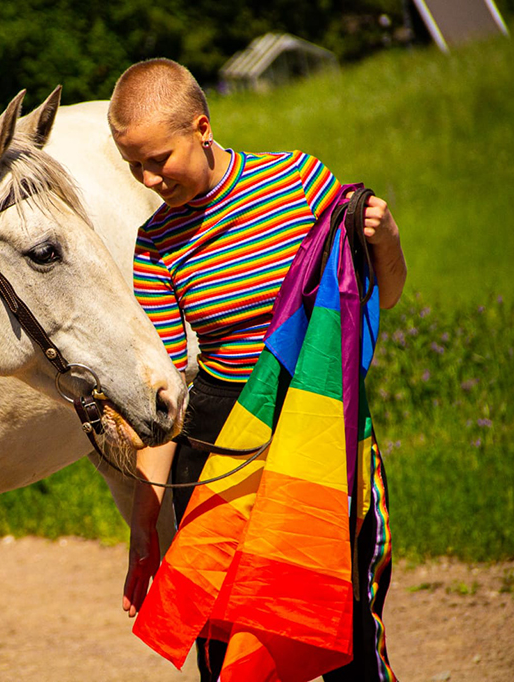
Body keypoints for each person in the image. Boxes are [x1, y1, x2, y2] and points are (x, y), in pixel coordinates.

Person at [108, 58, 407, 681]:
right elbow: (167, 392)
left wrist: (386, 240)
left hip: (320, 433)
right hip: (220, 447)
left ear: (202, 127)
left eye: (158, 158)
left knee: (344, 631)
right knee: (227, 655)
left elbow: (373, 297)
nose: (148, 178)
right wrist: (145, 523)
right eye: (134, 164)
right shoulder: (156, 243)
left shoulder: (299, 183)